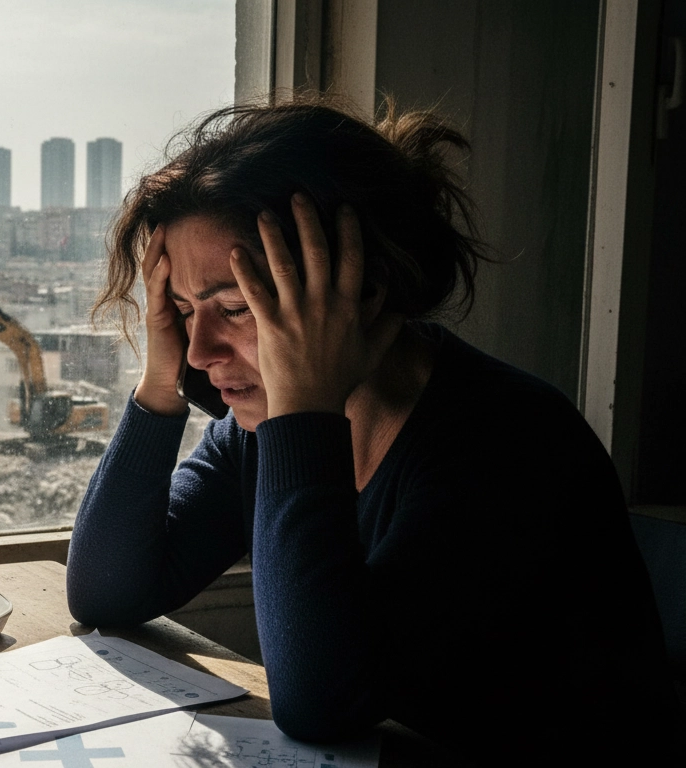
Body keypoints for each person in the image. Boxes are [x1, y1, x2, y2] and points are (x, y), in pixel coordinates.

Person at [65, 99, 680, 762]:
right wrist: (160, 387)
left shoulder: (506, 445)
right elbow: (107, 591)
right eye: (184, 312)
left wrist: (303, 411)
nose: (199, 350)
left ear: (361, 284)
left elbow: (320, 701)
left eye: (237, 308)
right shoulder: (262, 427)